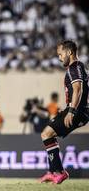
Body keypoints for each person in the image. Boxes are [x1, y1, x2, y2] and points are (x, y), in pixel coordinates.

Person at [40, 40, 89, 184]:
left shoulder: (75, 66)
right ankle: (53, 171)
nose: (59, 58)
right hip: (78, 109)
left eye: (60, 54)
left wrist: (71, 111)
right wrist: (68, 107)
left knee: (46, 133)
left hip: (78, 111)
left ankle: (58, 172)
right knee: (49, 135)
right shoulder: (77, 67)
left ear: (69, 52)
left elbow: (78, 89)